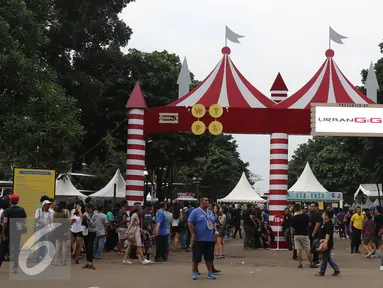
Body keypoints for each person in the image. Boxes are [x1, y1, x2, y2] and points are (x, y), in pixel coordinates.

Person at [188, 196, 218, 280]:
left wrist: (215, 231)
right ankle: (194, 272)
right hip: (199, 239)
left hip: (209, 239)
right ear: (201, 202)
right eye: (206, 200)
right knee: (196, 257)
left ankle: (210, 272)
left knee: (209, 257)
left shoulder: (210, 212)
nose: (207, 202)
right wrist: (193, 234)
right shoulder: (195, 212)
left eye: (208, 200)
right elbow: (190, 223)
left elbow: (213, 222)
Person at [0, 194, 27, 273]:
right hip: (17, 233)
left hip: (8, 233)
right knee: (16, 250)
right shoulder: (22, 210)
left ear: (10, 201)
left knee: (2, 249)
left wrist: (3, 233)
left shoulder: (7, 211)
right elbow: (24, 222)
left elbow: (5, 222)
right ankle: (15, 268)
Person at [315, 210, 340, 276]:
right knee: (327, 258)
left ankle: (322, 271)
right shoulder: (325, 223)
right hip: (324, 241)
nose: (322, 216)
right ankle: (336, 269)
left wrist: (326, 242)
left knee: (324, 258)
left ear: (326, 216)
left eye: (323, 215)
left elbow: (328, 233)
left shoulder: (328, 223)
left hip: (327, 242)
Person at [290, 204, 315, 268]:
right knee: (307, 249)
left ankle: (300, 263)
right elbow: (309, 224)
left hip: (296, 235)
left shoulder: (293, 217)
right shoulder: (306, 216)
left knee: (298, 249)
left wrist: (292, 235)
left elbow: (292, 227)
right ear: (301, 209)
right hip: (304, 234)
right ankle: (311, 263)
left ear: (295, 209)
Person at [83, 203, 97, 270]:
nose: (86, 210)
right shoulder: (85, 214)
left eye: (87, 208)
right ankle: (88, 262)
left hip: (92, 232)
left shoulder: (95, 215)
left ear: (91, 208)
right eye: (85, 208)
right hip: (86, 232)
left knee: (90, 247)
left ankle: (91, 262)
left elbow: (94, 225)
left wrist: (88, 219)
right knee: (86, 247)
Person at [309, 202, 322, 266]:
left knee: (315, 246)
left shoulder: (317, 214)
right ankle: (315, 261)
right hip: (311, 233)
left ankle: (315, 261)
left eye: (312, 206)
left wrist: (313, 233)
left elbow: (318, 224)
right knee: (313, 246)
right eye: (310, 206)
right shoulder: (312, 214)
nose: (310, 207)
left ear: (316, 207)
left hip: (315, 234)